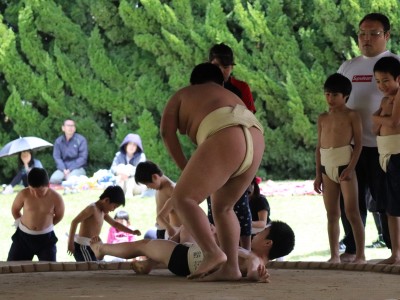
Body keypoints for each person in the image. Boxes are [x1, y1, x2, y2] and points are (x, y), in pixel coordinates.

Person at [160, 63, 265, 281]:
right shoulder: (229, 95)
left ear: (193, 82)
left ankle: (212, 252)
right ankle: (231, 268)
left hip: (225, 133)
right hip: (255, 135)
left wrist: (184, 168)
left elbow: (166, 132)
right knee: (224, 207)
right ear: (220, 83)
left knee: (182, 198)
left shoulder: (184, 94)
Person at [337, 13, 399, 261]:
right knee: (349, 202)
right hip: (351, 146)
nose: (366, 38)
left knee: (387, 200)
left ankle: (393, 250)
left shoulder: (395, 63)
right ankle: (352, 248)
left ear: (386, 35)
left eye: (374, 33)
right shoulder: (348, 67)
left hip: (384, 147)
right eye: (362, 33)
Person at [90, 220, 295, 282]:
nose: (256, 234)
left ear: (268, 244)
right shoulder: (252, 256)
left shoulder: (254, 259)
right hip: (191, 254)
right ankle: (149, 264)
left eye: (262, 233)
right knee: (186, 229)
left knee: (143, 245)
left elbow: (252, 271)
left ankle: (102, 249)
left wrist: (257, 277)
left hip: (184, 259)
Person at [207, 43, 257, 250]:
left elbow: (251, 120)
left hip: (239, 147)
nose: (223, 71)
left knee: (241, 204)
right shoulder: (203, 89)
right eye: (219, 66)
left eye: (227, 67)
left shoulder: (241, 87)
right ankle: (218, 251)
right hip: (211, 148)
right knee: (213, 205)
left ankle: (245, 251)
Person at [313, 73, 365, 263]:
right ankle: (334, 254)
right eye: (327, 94)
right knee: (332, 213)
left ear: (345, 96)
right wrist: (318, 174)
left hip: (346, 165)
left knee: (352, 211)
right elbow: (318, 148)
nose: (330, 99)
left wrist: (351, 168)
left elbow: (359, 144)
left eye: (334, 95)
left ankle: (361, 255)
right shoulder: (322, 117)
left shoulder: (352, 115)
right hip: (327, 167)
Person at [371, 56, 400, 264]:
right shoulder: (384, 100)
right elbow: (376, 129)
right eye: (378, 81)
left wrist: (376, 117)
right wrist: (380, 117)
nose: (381, 86)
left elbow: (395, 123)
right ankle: (396, 253)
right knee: (391, 207)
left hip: (398, 154)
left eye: (386, 80)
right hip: (385, 154)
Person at [67, 185, 141, 262]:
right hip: (83, 246)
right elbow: (74, 222)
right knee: (90, 268)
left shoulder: (103, 212)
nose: (113, 210)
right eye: (114, 206)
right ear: (106, 200)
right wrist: (70, 243)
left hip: (94, 246)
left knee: (99, 267)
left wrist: (132, 232)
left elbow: (115, 224)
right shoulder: (92, 208)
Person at [7, 167, 65, 261]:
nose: (36, 194)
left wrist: (46, 225)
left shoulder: (56, 198)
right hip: (23, 238)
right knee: (12, 266)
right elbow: (15, 209)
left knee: (49, 270)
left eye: (40, 191)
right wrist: (20, 222)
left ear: (48, 185)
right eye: (32, 190)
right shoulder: (24, 194)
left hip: (46, 239)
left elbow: (59, 215)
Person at [134, 161, 181, 239]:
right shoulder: (159, 187)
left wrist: (169, 228)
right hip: (161, 228)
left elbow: (180, 214)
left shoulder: (171, 189)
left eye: (147, 184)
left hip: (170, 230)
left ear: (155, 177)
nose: (148, 187)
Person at [50, 119, 88, 185]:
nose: (70, 127)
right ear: (63, 128)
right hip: (63, 169)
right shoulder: (58, 141)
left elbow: (83, 158)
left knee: (71, 179)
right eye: (68, 125)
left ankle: (68, 184)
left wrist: (70, 169)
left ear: (75, 129)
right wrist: (64, 169)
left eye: (72, 126)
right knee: (53, 179)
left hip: (77, 168)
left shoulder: (81, 140)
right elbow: (57, 157)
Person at [110, 133, 146, 198]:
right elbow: (112, 169)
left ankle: (129, 193)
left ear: (137, 147)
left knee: (129, 170)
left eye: (134, 145)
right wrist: (120, 172)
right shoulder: (119, 155)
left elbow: (140, 171)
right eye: (130, 144)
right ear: (126, 145)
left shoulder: (141, 157)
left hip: (136, 185)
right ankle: (118, 193)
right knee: (121, 167)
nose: (131, 147)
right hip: (121, 182)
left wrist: (128, 173)